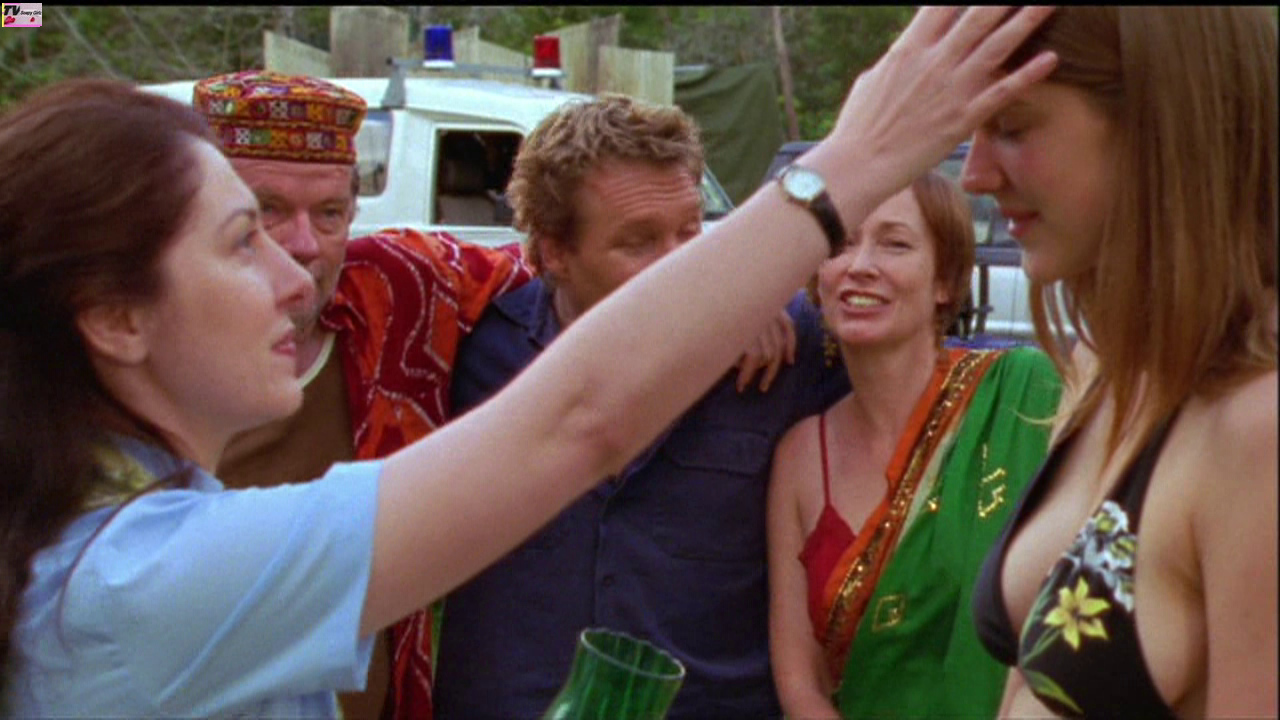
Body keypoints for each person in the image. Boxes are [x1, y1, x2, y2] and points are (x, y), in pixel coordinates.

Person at [0, 6, 1061, 716]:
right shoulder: (139, 587)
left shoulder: (97, 536)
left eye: (325, 217)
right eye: (244, 239)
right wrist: (856, 160)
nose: (302, 271)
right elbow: (578, 416)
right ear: (114, 319)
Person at [431, 94, 847, 720]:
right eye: (639, 242)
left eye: (690, 232)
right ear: (554, 252)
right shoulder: (469, 352)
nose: (682, 265)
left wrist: (751, 294)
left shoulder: (786, 348)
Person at [963, 7, 1277, 718]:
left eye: (1011, 128)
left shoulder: (1259, 428)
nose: (973, 176)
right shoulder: (1103, 367)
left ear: (1160, 128)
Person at [192, 70, 531, 720]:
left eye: (328, 214)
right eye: (265, 211)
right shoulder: (127, 358)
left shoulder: (395, 291)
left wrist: (721, 321)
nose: (302, 246)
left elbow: (571, 269)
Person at [767, 172, 1062, 719]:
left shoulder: (1026, 398)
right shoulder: (801, 455)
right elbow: (801, 680)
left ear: (945, 280)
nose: (860, 265)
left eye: (895, 244)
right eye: (842, 244)